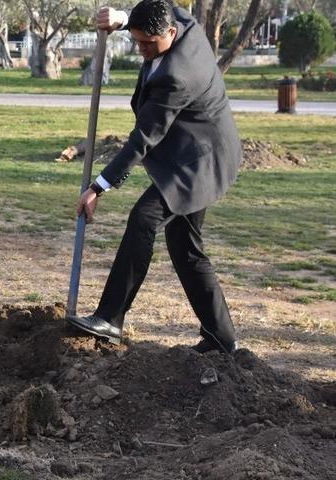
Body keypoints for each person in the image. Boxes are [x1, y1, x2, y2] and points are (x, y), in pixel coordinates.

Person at [67, 0, 242, 354]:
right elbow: (168, 8)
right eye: (137, 41)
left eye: (150, 43)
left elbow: (143, 139)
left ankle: (111, 317)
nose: (143, 50)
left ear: (171, 34)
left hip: (200, 161)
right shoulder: (180, 22)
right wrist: (121, 19)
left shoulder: (177, 76)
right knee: (185, 246)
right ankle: (222, 340)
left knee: (144, 218)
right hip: (194, 149)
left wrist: (98, 187)